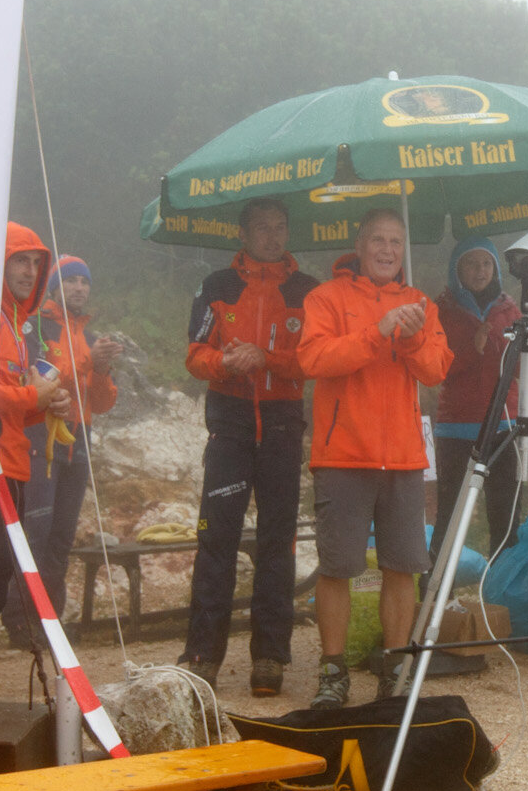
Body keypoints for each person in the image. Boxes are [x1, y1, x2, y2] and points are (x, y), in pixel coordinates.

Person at [295, 209, 452, 706]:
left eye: (397, 242)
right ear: (359, 246)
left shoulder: (420, 302)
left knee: (402, 566)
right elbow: (314, 360)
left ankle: (396, 665)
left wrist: (409, 337)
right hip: (343, 454)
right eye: (379, 240)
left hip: (404, 458)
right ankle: (333, 670)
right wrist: (377, 331)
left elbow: (436, 371)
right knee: (338, 565)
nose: (388, 250)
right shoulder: (326, 297)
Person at [181, 198, 317, 697]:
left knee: (277, 540)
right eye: (262, 228)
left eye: (280, 226)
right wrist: (225, 364)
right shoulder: (216, 285)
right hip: (231, 421)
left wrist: (269, 358)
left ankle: (269, 657)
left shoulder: (308, 290)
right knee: (217, 536)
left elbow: (314, 360)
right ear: (243, 233)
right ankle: (201, 653)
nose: (272, 236)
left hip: (282, 423)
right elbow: (194, 354)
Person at [0, 222, 67, 697]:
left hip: (13, 465)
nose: (31, 271)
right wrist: (34, 393)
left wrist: (45, 404)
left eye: (37, 263)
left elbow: (11, 406)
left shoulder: (16, 323)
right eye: (20, 260)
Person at [16, 254, 120, 635]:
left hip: (79, 439)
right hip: (41, 435)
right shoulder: (36, 328)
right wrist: (89, 362)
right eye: (71, 281)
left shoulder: (91, 336)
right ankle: (20, 619)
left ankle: (51, 621)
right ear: (56, 286)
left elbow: (103, 402)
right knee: (36, 531)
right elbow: (46, 381)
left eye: (85, 282)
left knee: (62, 534)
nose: (79, 288)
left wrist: (103, 368)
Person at [432, 240, 523, 566]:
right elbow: (436, 367)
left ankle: (502, 597)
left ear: (496, 269)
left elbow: (523, 370)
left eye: (487, 264)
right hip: (457, 426)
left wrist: (503, 345)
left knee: (505, 514)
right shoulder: (441, 309)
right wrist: (475, 346)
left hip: (503, 424)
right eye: (471, 264)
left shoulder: (511, 310)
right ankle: (437, 594)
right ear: (457, 270)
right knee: (450, 516)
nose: (480, 271)